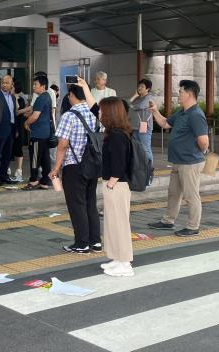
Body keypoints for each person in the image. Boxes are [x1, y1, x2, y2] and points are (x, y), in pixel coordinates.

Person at [148, 80, 209, 237]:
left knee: (191, 195)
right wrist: (155, 111)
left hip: (190, 163)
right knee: (174, 193)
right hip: (178, 161)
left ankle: (193, 226)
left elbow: (204, 142)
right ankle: (168, 221)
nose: (178, 95)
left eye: (180, 92)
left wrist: (198, 153)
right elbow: (165, 124)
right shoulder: (182, 112)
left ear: (189, 93)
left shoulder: (196, 115)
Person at [49, 84, 102, 254]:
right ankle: (95, 242)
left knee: (77, 205)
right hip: (92, 165)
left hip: (74, 166)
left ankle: (81, 243)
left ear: (72, 95)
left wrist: (56, 168)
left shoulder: (69, 116)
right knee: (90, 203)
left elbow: (63, 145)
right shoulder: (95, 113)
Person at [98, 97, 134, 277]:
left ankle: (125, 262)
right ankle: (117, 258)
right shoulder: (114, 134)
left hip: (117, 185)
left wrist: (111, 182)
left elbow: (120, 164)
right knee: (112, 223)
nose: (99, 113)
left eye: (102, 111)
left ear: (110, 113)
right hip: (113, 184)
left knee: (120, 224)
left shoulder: (118, 136)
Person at [23, 75, 52, 190]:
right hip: (45, 133)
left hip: (38, 133)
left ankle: (34, 180)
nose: (33, 87)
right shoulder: (48, 96)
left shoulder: (41, 98)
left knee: (35, 158)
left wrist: (26, 123)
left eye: (36, 84)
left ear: (43, 86)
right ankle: (45, 181)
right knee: (45, 158)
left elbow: (35, 116)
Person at [129, 78, 155, 184]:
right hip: (135, 128)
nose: (139, 88)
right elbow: (128, 103)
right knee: (137, 150)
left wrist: (132, 105)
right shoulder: (138, 98)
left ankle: (150, 171)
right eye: (139, 86)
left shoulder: (149, 98)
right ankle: (140, 170)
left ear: (148, 89)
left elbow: (137, 107)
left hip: (145, 129)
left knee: (146, 149)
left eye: (142, 87)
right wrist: (134, 96)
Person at [0, 75, 18, 185]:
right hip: (0, 130)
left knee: (7, 154)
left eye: (7, 83)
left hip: (10, 129)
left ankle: (4, 175)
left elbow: (13, 113)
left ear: (11, 84)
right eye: (3, 82)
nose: (4, 84)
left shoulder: (12, 97)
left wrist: (16, 129)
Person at [12, 81, 27, 182]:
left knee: (18, 149)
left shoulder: (20, 99)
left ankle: (19, 170)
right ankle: (7, 170)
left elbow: (17, 111)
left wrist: (15, 98)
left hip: (18, 127)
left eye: (12, 86)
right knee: (8, 150)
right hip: (11, 127)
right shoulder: (9, 98)